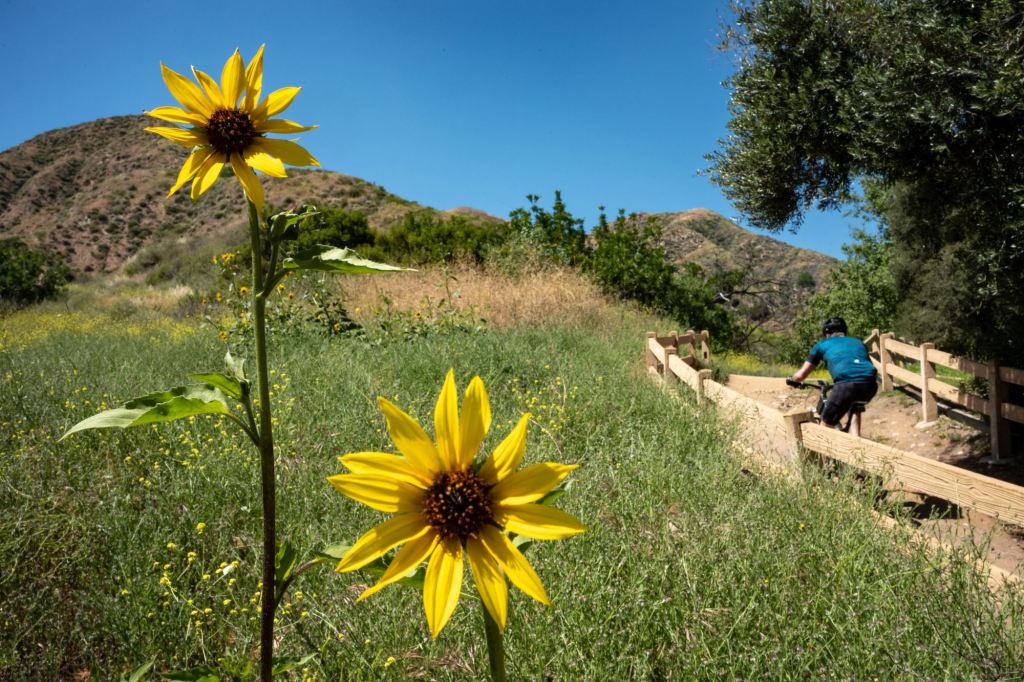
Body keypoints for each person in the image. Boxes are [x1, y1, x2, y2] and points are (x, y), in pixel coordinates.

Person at [790, 317, 878, 437]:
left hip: (846, 385)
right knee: (854, 405)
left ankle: (822, 454)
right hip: (870, 385)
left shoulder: (821, 345)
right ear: (844, 331)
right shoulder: (858, 342)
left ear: (826, 333)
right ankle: (856, 445)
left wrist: (792, 379)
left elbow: (801, 375)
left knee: (826, 423)